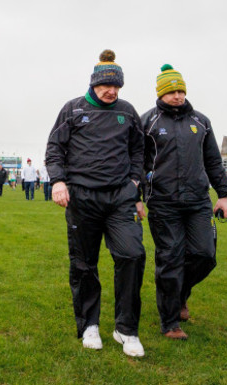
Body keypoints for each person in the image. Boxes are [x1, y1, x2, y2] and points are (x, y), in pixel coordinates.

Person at [45, 49, 146, 357]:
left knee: (132, 255)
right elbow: (54, 149)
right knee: (84, 264)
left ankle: (125, 329)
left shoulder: (127, 112)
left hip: (119, 199)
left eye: (116, 86)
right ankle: (90, 324)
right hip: (82, 198)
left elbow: (139, 153)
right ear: (93, 83)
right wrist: (58, 181)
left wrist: (133, 184)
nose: (111, 91)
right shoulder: (72, 110)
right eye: (106, 85)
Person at [142, 64, 227, 340]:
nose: (178, 96)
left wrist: (224, 195)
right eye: (172, 92)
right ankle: (170, 323)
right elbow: (138, 162)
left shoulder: (201, 122)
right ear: (161, 93)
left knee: (205, 255)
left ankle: (179, 294)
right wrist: (139, 197)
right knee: (169, 259)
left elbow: (213, 160)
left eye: (181, 90)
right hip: (163, 203)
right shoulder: (148, 122)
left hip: (197, 201)